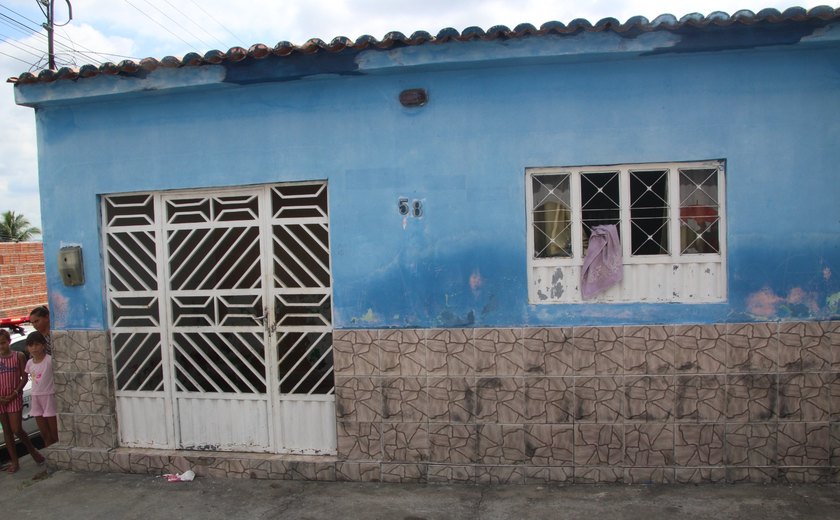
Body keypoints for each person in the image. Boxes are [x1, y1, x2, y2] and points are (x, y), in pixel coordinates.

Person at [0, 329, 44, 472]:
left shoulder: (18, 356)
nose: (1, 346)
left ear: (9, 342)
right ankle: (14, 462)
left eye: (3, 343)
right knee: (7, 431)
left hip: (14, 396)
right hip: (1, 399)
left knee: (17, 429)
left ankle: (33, 451)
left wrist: (14, 393)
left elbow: (24, 377)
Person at [25, 332, 58, 448]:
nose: (34, 348)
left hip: (49, 396)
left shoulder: (50, 360)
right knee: (44, 432)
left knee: (55, 431)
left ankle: (59, 454)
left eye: (37, 344)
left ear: (43, 345)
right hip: (36, 398)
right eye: (30, 345)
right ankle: (50, 454)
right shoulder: (29, 363)